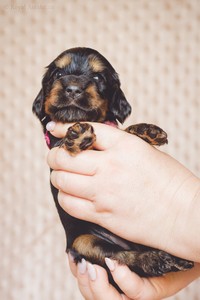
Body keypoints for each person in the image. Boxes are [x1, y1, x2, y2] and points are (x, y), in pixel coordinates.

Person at [47, 121, 200, 300]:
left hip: (138, 243)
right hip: (108, 247)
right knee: (83, 245)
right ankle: (140, 259)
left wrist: (185, 208)